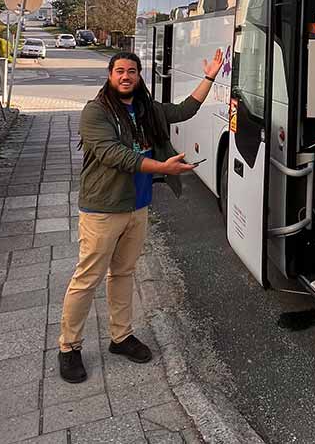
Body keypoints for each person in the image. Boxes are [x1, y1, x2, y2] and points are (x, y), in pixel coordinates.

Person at [58, 49, 223, 384]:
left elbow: (184, 110)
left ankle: (120, 337)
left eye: (131, 71)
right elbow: (113, 154)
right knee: (87, 278)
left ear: (138, 75)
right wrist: (162, 167)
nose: (125, 76)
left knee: (123, 274)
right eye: (119, 70)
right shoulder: (96, 112)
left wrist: (210, 77)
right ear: (110, 74)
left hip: (138, 205)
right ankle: (69, 347)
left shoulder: (147, 109)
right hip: (103, 208)